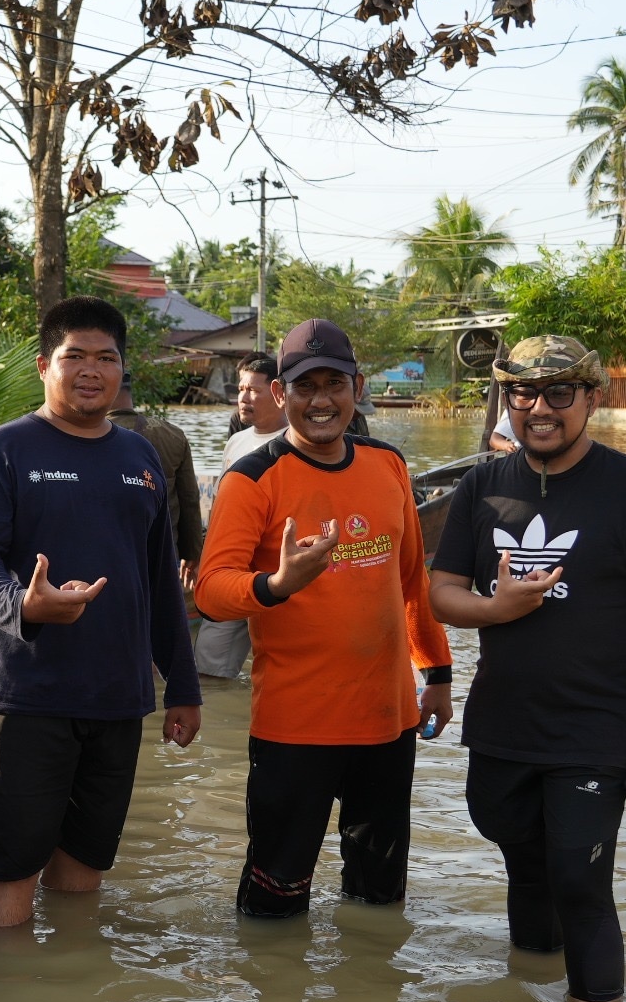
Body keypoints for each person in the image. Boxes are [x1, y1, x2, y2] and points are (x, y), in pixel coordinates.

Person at [427, 334, 626, 1002]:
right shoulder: (483, 486)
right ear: (507, 399)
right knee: (523, 864)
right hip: (502, 723)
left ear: (593, 398)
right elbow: (441, 593)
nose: (539, 408)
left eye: (559, 393)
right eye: (523, 393)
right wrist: (497, 607)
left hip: (592, 726)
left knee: (579, 877)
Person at [0, 296, 202, 928]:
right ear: (44, 366)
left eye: (106, 358)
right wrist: (21, 606)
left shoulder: (140, 458)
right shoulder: (3, 450)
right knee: (9, 868)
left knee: (85, 866)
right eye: (74, 357)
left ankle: (70, 990)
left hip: (117, 698)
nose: (91, 370)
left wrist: (183, 686)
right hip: (28, 695)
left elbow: (160, 583)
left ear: (122, 368)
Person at [195, 319, 452, 917]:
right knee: (274, 904)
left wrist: (436, 673)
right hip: (295, 727)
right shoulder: (252, 478)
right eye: (304, 387)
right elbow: (210, 591)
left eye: (333, 384)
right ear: (281, 396)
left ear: (357, 388)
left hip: (387, 722)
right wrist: (277, 584)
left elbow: (412, 579)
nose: (321, 401)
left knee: (379, 903)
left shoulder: (388, 466)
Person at [197, 356, 285, 679]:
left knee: (284, 667)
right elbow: (222, 506)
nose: (244, 398)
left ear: (279, 392)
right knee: (209, 670)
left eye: (254, 390)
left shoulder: (298, 443)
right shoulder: (237, 442)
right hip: (233, 572)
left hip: (280, 576)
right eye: (242, 389)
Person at [112, 372, 204, 581]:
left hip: (110, 556)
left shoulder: (88, 434)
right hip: (164, 553)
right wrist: (192, 554)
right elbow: (189, 499)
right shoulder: (171, 434)